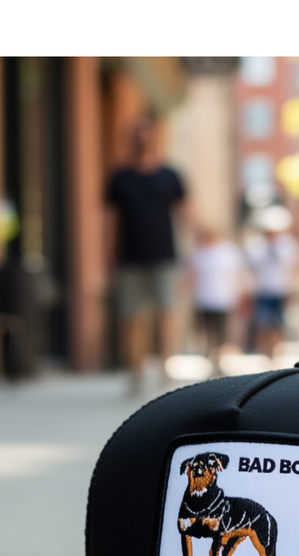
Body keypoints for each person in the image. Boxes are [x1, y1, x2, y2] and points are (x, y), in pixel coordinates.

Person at [104, 118, 188, 390]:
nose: (142, 141)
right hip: (129, 257)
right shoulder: (119, 177)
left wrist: (196, 253)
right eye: (137, 136)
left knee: (166, 314)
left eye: (146, 136)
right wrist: (108, 253)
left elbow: (185, 212)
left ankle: (166, 370)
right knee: (131, 317)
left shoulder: (170, 175)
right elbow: (109, 218)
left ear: (154, 139)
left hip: (164, 255)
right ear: (130, 141)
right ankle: (136, 372)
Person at [244, 205, 299, 359]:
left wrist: (293, 290)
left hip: (281, 290)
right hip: (262, 290)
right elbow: (252, 267)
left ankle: (276, 352)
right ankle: (264, 352)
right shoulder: (256, 245)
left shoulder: (288, 244)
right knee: (263, 323)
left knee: (279, 324)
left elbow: (294, 268)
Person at [188, 226, 247, 372]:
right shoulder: (199, 253)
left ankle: (219, 359)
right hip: (204, 300)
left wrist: (240, 294)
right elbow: (191, 274)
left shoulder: (228, 252)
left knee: (222, 332)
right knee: (208, 331)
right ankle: (211, 358)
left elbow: (237, 275)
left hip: (223, 300)